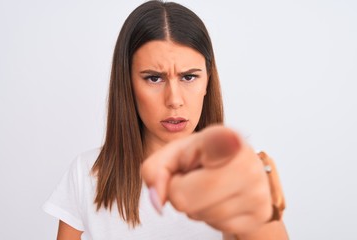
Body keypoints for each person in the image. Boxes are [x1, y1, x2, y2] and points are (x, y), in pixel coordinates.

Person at [43, 1, 288, 239]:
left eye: (189, 77)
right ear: (127, 83)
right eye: (154, 78)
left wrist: (257, 213)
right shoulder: (87, 173)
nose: (174, 100)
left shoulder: (240, 169)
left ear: (208, 81)